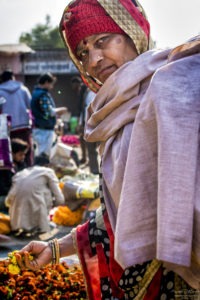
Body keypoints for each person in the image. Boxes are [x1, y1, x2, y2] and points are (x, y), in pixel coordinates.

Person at [16, 0, 200, 299]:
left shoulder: (177, 89)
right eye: (83, 53)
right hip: (142, 286)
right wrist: (55, 248)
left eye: (102, 41)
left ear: (131, 33)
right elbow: (125, 213)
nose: (93, 61)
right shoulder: (111, 116)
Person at [5, 153, 65, 237]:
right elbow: (60, 198)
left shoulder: (20, 173)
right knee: (45, 192)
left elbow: (9, 199)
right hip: (37, 211)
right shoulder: (48, 171)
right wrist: (55, 205)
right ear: (47, 165)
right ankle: (40, 225)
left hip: (15, 219)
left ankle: (25, 225)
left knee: (35, 191)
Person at [0, 70, 33, 166]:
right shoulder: (23, 89)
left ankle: (13, 172)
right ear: (13, 78)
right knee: (25, 151)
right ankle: (28, 169)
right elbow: (30, 106)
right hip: (23, 126)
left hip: (8, 127)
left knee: (10, 151)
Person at [31, 72, 67, 157]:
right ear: (47, 82)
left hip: (39, 127)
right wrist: (62, 110)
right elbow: (49, 112)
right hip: (44, 130)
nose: (52, 86)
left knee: (39, 154)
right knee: (44, 155)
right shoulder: (42, 94)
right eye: (51, 83)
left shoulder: (35, 92)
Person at [0, 138, 29, 213]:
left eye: (24, 154)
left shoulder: (21, 164)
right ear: (12, 154)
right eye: (20, 154)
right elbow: (3, 188)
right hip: (4, 196)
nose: (23, 157)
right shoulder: (3, 167)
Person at [78, 86, 99, 174]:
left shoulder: (99, 91)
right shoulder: (87, 92)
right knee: (91, 149)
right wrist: (81, 123)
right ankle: (94, 171)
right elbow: (84, 109)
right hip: (88, 124)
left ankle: (103, 173)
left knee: (102, 150)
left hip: (98, 124)